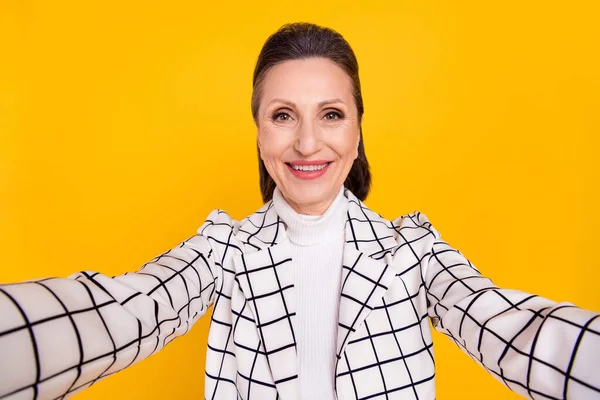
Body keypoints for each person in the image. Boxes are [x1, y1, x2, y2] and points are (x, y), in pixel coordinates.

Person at [0, 22, 598, 400]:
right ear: (259, 133)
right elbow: (122, 313)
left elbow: (513, 330)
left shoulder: (411, 250)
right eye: (283, 115)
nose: (308, 144)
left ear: (359, 130)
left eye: (331, 115)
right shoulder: (224, 249)